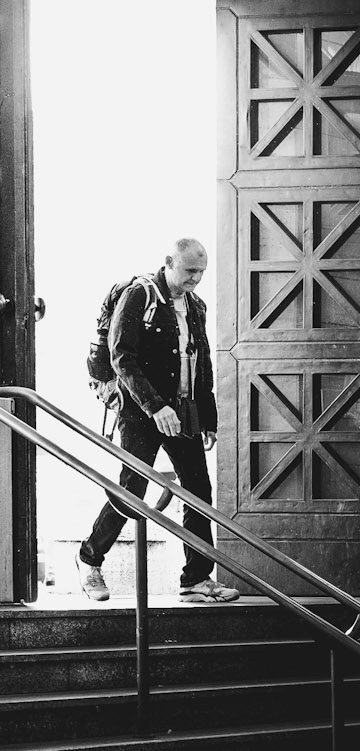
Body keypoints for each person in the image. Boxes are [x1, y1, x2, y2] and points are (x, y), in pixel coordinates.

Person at [76, 238, 239, 603]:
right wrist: (154, 406)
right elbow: (121, 357)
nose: (196, 278)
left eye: (201, 272)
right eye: (189, 271)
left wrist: (207, 417)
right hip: (142, 410)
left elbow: (203, 363)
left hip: (182, 411)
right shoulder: (140, 295)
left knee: (198, 490)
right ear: (169, 261)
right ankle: (89, 558)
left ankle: (196, 580)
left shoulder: (195, 305)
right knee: (132, 490)